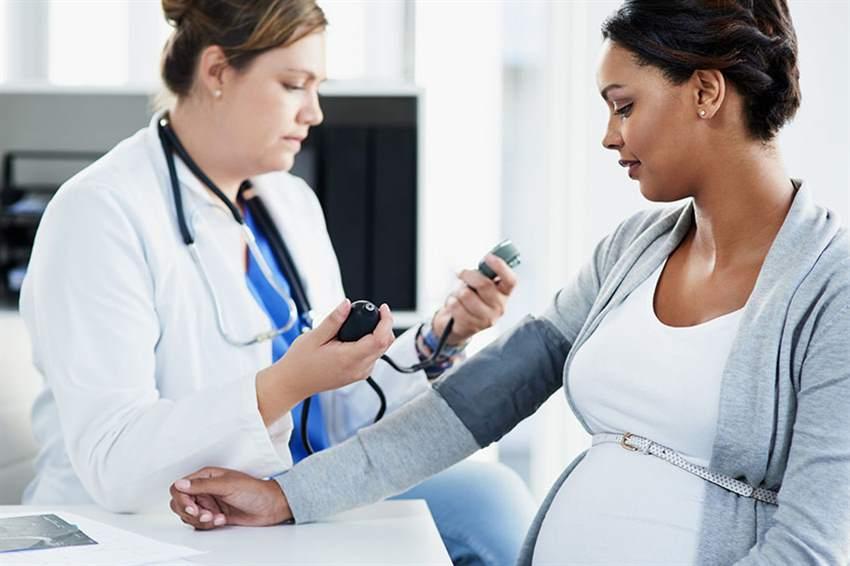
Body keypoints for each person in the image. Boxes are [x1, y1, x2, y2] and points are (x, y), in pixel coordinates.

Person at [168, 0, 850, 564]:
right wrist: (290, 495)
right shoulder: (632, 252)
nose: (610, 137)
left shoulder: (832, 286)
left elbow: (812, 545)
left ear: (706, 92)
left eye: (623, 105)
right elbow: (473, 404)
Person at [19, 1, 535, 564]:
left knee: (490, 495)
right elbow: (115, 465)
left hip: (285, 496)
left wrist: (441, 336)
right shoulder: (100, 213)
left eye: (318, 88)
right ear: (216, 72)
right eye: (294, 85)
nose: (314, 113)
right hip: (144, 525)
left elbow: (330, 417)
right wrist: (282, 385)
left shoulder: (289, 205)